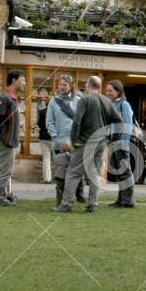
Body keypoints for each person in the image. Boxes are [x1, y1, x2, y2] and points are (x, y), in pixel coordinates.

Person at [56, 75, 115, 213]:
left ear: (88, 85)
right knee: (94, 173)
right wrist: (109, 137)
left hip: (84, 141)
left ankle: (66, 204)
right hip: (101, 142)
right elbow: (117, 120)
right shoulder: (107, 101)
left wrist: (73, 140)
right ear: (99, 87)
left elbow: (77, 121)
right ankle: (92, 204)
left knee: (73, 172)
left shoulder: (85, 99)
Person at [0, 70, 26, 205]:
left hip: (8, 141)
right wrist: (4, 137)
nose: (24, 83)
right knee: (4, 170)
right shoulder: (5, 98)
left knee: (6, 170)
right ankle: (0, 198)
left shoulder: (12, 97)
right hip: (5, 142)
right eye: (22, 80)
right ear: (14, 80)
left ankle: (1, 196)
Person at [46, 74, 82, 203]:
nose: (62, 87)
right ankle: (60, 198)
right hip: (59, 142)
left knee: (74, 170)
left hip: (74, 142)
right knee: (61, 172)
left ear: (71, 86)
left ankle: (75, 196)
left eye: (65, 85)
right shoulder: (53, 102)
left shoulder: (78, 101)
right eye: (60, 84)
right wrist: (55, 136)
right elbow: (49, 122)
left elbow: (81, 120)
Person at [106, 78, 136, 208]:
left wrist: (122, 143)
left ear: (118, 91)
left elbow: (127, 126)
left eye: (110, 90)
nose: (108, 93)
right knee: (119, 173)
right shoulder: (111, 104)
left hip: (121, 143)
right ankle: (121, 199)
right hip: (112, 142)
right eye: (107, 90)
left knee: (124, 172)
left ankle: (127, 200)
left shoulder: (125, 105)